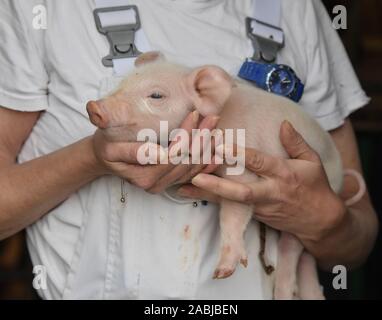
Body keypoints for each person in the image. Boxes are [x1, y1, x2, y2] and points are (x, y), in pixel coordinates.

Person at [0, 0, 378, 299]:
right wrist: (92, 159)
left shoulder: (295, 8)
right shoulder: (43, 8)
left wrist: (318, 217)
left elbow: (356, 242)